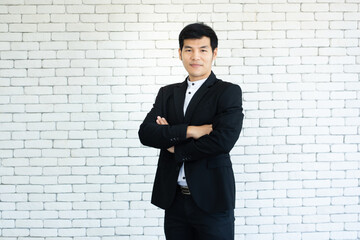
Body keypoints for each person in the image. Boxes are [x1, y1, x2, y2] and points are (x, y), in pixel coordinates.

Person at [138, 23, 244, 240]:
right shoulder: (167, 94)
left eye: (203, 50)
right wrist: (192, 130)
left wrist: (173, 144)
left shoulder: (227, 92)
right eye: (189, 50)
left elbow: (222, 141)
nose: (196, 56)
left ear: (214, 53)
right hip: (174, 200)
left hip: (212, 200)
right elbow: (146, 133)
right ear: (180, 53)